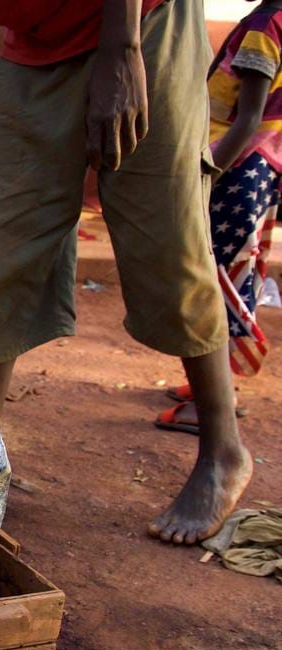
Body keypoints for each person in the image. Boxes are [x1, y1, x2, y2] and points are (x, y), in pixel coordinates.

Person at [0, 0, 254, 545]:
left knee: (168, 242)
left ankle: (223, 452)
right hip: (37, 46)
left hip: (144, 20)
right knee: (2, 251)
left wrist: (122, 51)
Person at [156, 0, 280, 432]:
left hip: (235, 168)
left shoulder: (264, 28)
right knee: (229, 275)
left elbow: (245, 119)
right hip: (261, 168)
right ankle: (210, 389)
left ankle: (211, 406)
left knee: (215, 280)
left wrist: (206, 174)